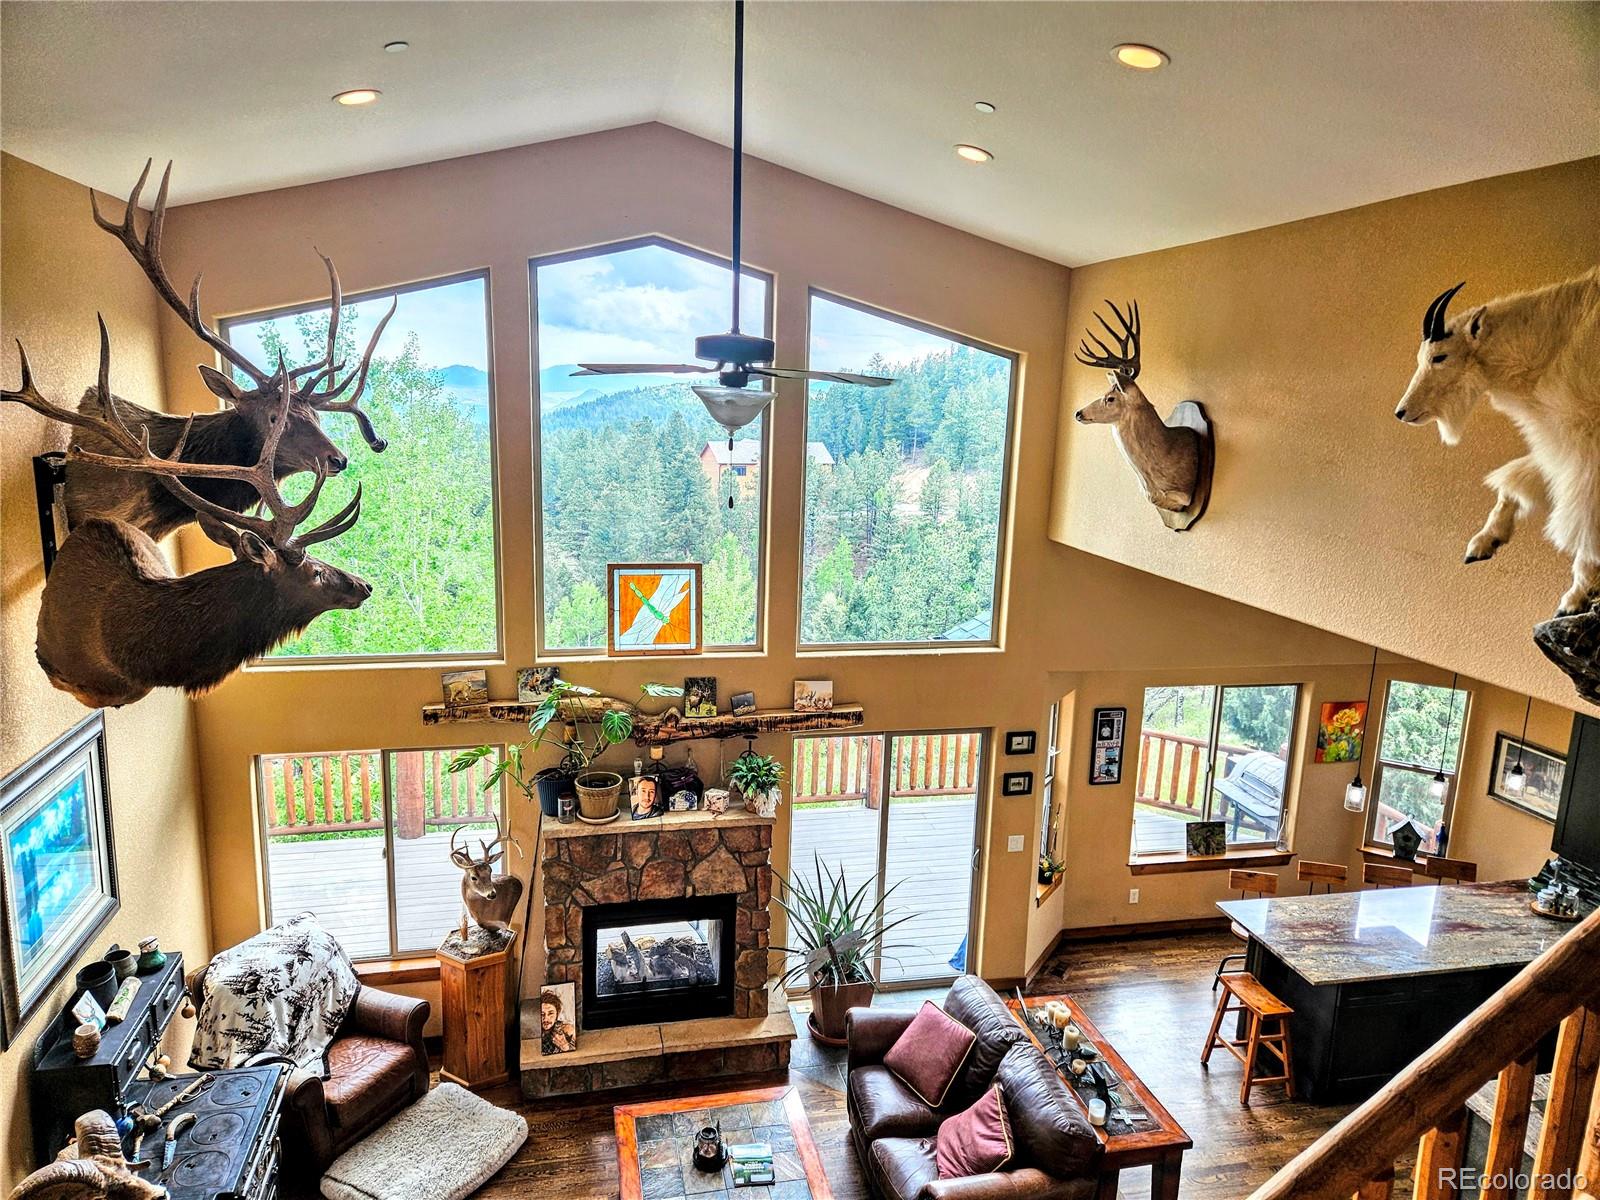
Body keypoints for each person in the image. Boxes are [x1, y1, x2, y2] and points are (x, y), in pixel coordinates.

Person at [540, 989, 577, 1054]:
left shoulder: (567, 1030)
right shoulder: (534, 1031)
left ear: (557, 1014)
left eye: (550, 1013)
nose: (546, 1019)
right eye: (542, 1014)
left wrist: (566, 1048)